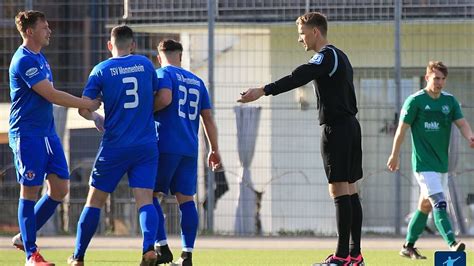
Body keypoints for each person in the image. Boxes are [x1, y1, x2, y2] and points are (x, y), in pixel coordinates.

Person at [237, 12, 364, 266]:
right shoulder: (342, 56)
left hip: (337, 129)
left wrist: (263, 90)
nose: (300, 39)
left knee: (338, 188)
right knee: (350, 189)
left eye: (302, 33)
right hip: (351, 127)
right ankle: (355, 255)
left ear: (316, 32)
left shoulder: (326, 56)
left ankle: (341, 258)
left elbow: (299, 76)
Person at [8, 10, 101, 266]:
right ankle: (31, 255)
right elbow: (51, 95)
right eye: (44, 27)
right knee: (29, 192)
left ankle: (23, 238)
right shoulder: (24, 60)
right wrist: (86, 104)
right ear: (29, 31)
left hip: (47, 133)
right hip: (28, 135)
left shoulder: (41, 58)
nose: (49, 31)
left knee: (60, 189)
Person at [67, 25, 160, 266]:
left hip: (115, 145)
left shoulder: (101, 70)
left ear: (110, 45)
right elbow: (156, 96)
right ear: (133, 45)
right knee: (145, 200)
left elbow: (84, 107)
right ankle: (149, 248)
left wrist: (96, 117)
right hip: (146, 145)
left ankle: (78, 257)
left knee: (95, 201)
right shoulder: (146, 65)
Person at [387, 61, 472, 259]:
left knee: (425, 206)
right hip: (423, 165)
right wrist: (394, 154)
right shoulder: (415, 101)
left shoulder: (449, 102)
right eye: (436, 78)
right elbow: (401, 130)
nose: (439, 82)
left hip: (441, 165)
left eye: (442, 79)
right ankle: (452, 243)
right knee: (439, 202)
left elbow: (462, 123)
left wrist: (470, 136)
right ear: (427, 78)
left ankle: (408, 246)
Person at [152, 39, 222, 266]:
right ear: (180, 57)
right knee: (186, 201)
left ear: (158, 57)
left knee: (151, 196)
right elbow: (208, 118)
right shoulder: (197, 81)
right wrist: (214, 149)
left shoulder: (163, 74)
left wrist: (144, 111)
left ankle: (162, 247)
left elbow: (164, 99)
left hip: (166, 145)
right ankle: (187, 254)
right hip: (190, 148)